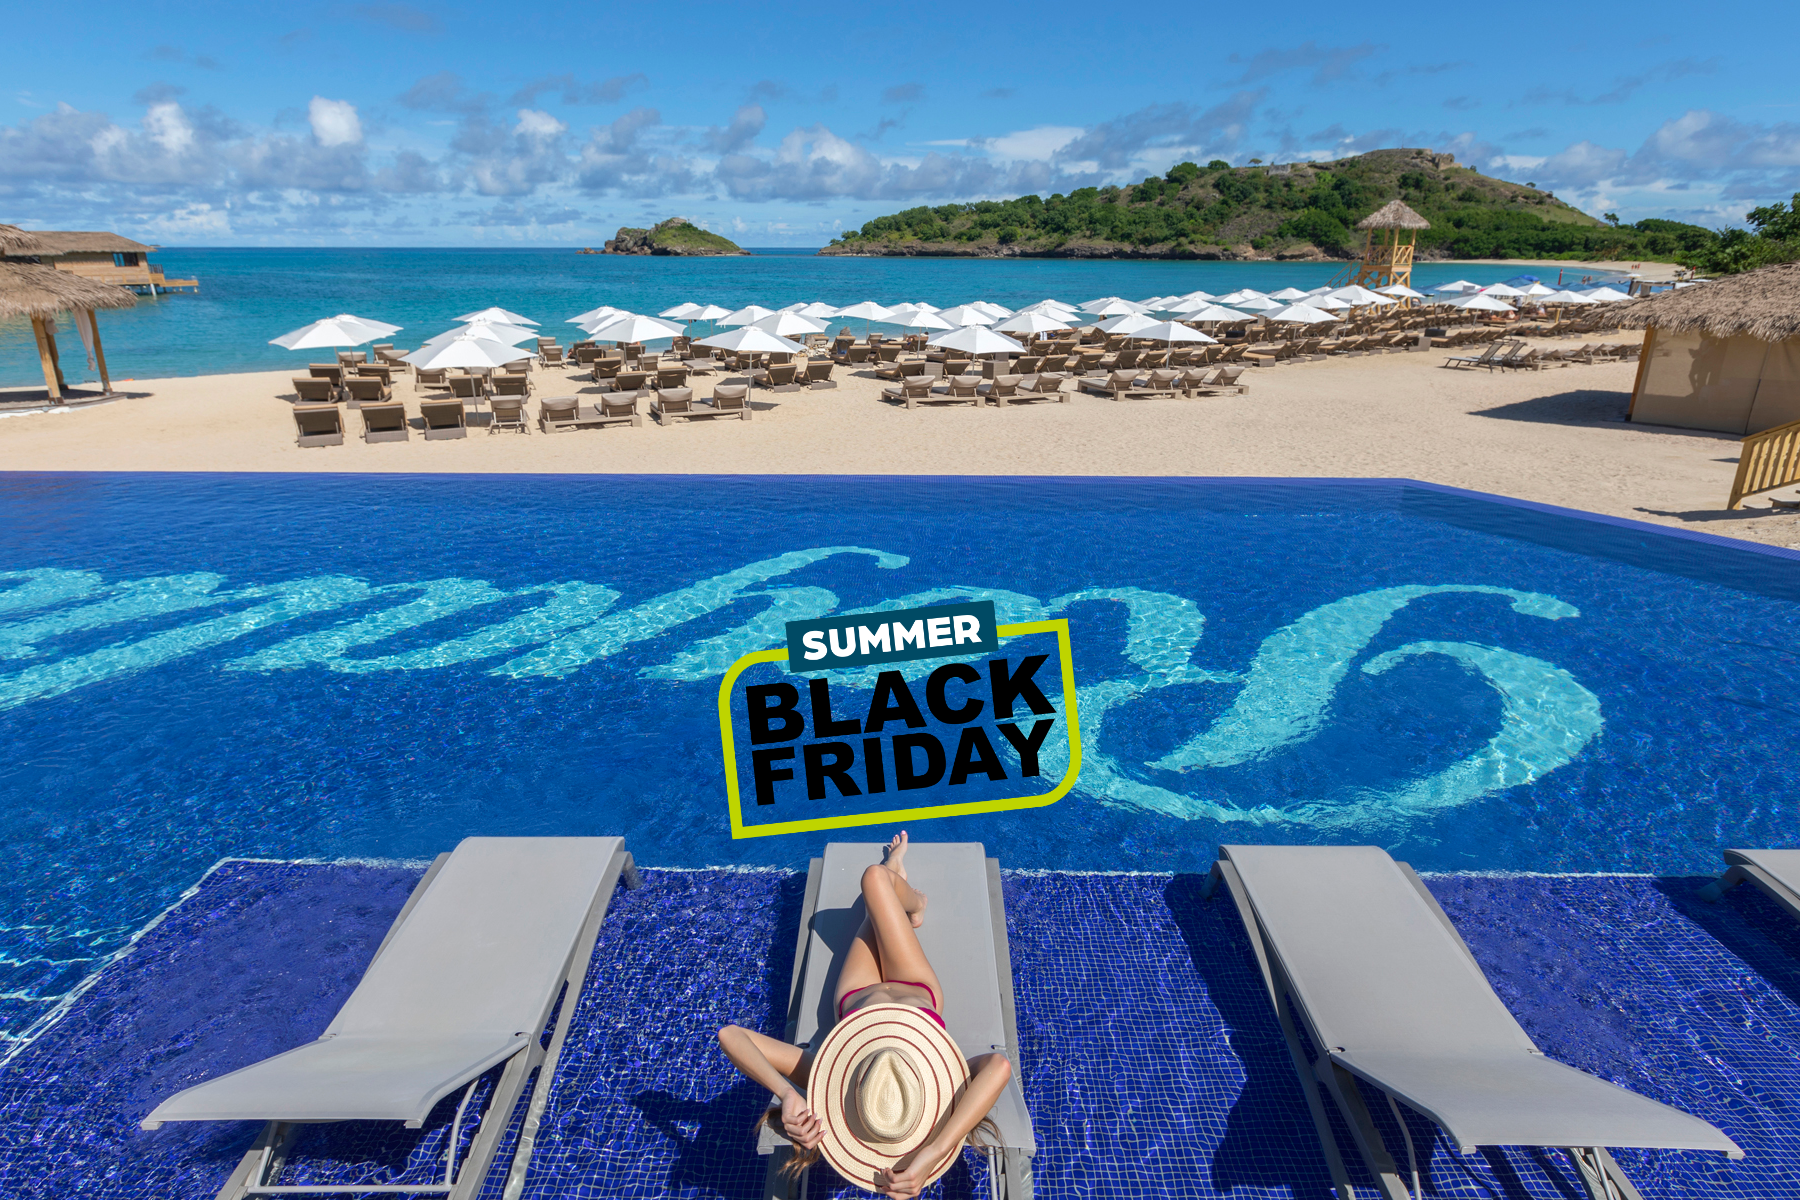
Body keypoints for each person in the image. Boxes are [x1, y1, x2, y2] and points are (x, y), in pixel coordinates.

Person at [718, 832, 1013, 1199]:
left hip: (857, 994)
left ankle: (897, 879)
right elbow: (999, 1067)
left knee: (875, 885)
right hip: (915, 985)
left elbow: (731, 1034)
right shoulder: (939, 1082)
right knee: (876, 883)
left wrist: (786, 1093)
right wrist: (936, 1151)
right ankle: (913, 899)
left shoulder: (833, 1079)